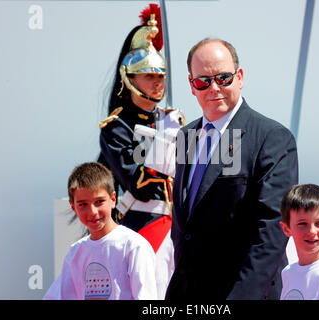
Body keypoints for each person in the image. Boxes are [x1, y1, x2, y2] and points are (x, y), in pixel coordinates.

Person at [165, 38, 299, 300]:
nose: (213, 87)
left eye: (223, 78)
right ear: (192, 86)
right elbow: (183, 226)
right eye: (203, 81)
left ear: (240, 77)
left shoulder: (271, 138)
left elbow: (270, 233)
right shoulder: (185, 136)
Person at [98, 4, 183, 299]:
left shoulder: (175, 119)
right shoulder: (115, 127)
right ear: (129, 79)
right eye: (149, 76)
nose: (158, 82)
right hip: (141, 225)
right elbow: (140, 185)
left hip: (180, 226)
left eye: (161, 76)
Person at [44, 162, 157, 300]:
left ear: (113, 199)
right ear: (73, 207)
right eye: (83, 204)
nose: (92, 212)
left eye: (99, 202)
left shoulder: (133, 246)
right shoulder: (76, 252)